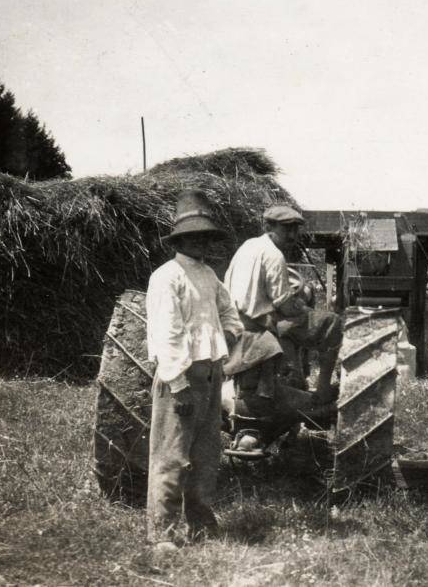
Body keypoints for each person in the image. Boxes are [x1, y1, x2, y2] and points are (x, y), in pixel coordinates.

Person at [145, 190, 243, 557]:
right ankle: (162, 533)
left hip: (210, 373)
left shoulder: (209, 275)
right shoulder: (166, 277)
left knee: (205, 454)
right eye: (195, 236)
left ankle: (201, 522)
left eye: (206, 235)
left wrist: (225, 339)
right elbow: (167, 334)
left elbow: (229, 313)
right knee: (171, 455)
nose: (202, 241)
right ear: (181, 239)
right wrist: (179, 383)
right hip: (180, 377)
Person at [224, 205, 343, 403]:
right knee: (332, 322)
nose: (292, 235)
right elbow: (285, 306)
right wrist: (304, 307)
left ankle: (298, 375)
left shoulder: (247, 246)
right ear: (269, 227)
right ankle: (322, 392)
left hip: (236, 318)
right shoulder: (274, 255)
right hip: (261, 322)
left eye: (296, 229)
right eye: (286, 228)